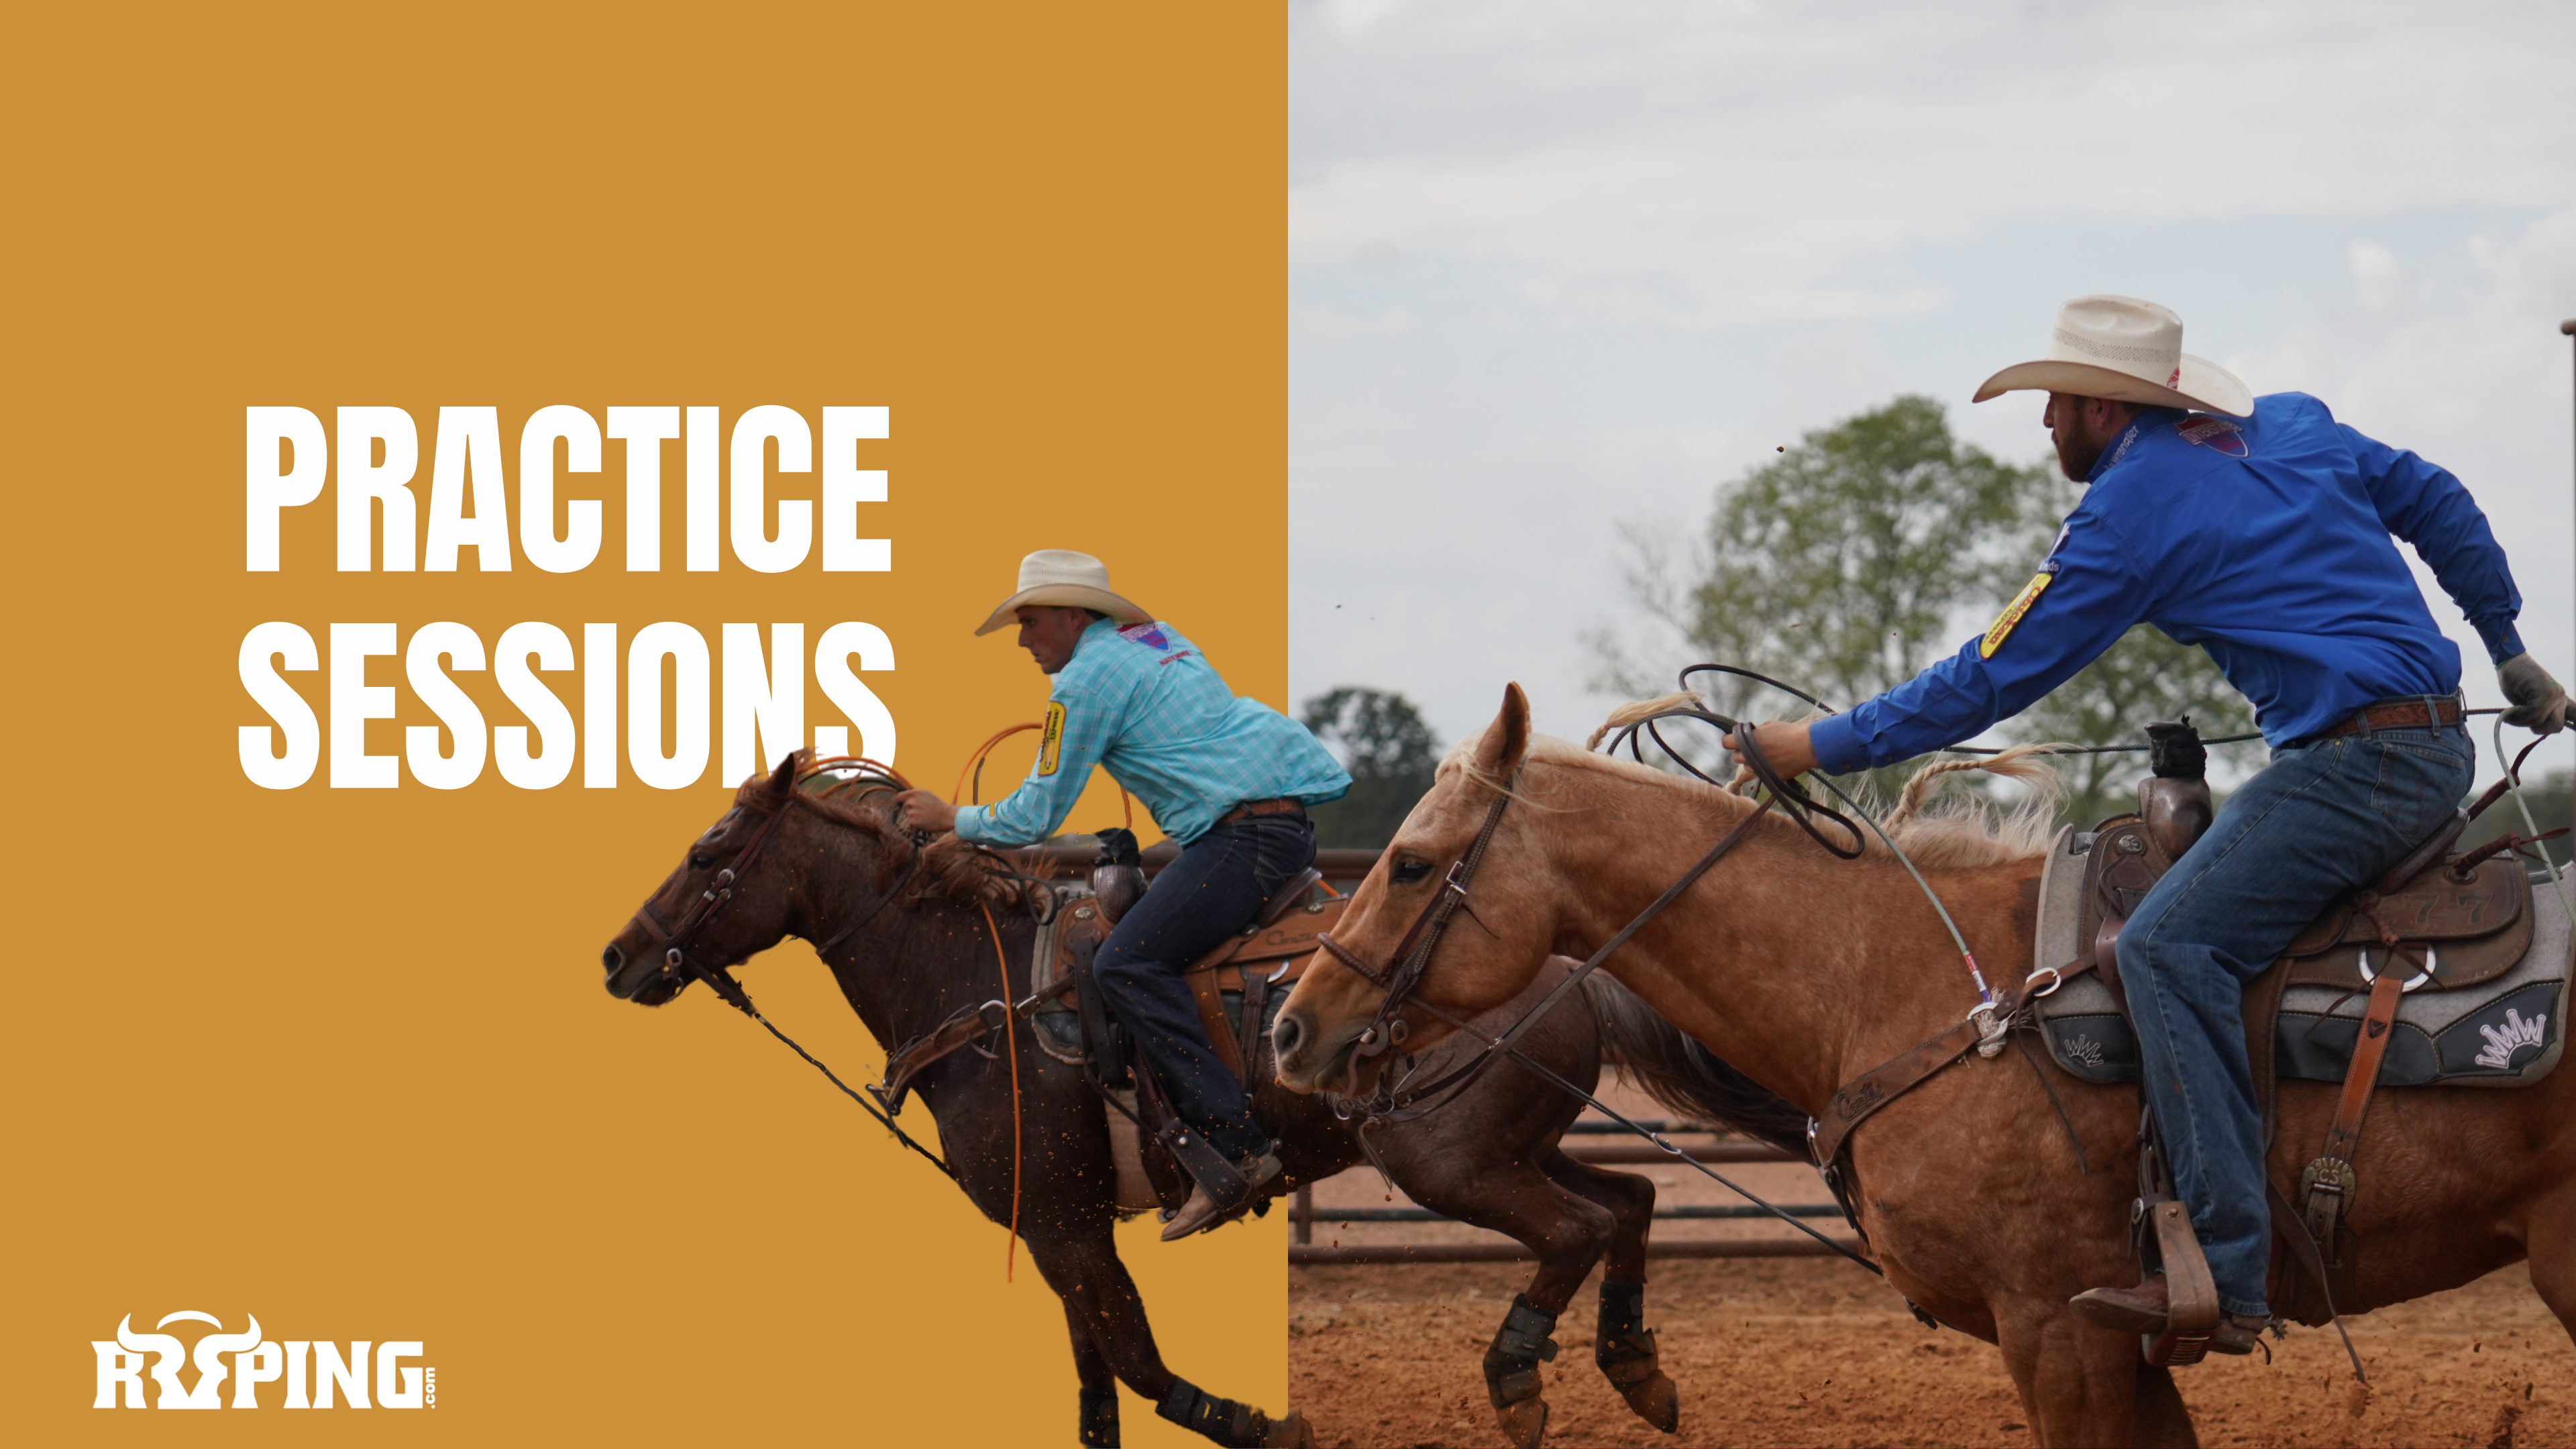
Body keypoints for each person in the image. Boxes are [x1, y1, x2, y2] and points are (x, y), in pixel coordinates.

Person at [1724, 295, 2568, 1352]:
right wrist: (2506, 644)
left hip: (2360, 768)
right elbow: (2438, 500)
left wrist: (1815, 747)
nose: (2043, 428)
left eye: (2053, 405)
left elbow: (1984, 681)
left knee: (2170, 947)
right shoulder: (2292, 421)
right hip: (2422, 747)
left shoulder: (2125, 515)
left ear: (2099, 407)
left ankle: (2225, 1261)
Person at [894, 549, 1352, 1239]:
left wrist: (950, 820)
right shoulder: (1155, 639)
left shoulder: (1082, 684)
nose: (1023, 639)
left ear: (1074, 616)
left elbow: (1036, 814)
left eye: (1032, 621)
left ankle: (1237, 1147)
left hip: (1240, 841)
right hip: (1274, 827)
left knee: (1125, 965)